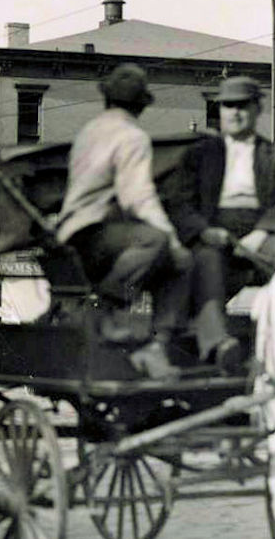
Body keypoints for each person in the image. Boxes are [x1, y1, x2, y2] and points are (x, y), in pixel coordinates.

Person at [167, 76, 275, 371]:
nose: (234, 113)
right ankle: (219, 344)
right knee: (205, 259)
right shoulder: (199, 155)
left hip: (265, 229)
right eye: (227, 106)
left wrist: (260, 234)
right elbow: (180, 202)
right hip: (214, 230)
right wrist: (204, 230)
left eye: (242, 106)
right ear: (220, 110)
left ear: (258, 109)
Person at [57, 64, 192, 381]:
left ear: (107, 100)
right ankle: (125, 320)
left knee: (164, 255)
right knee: (169, 251)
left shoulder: (89, 131)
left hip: (72, 233)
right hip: (93, 234)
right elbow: (138, 197)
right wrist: (173, 240)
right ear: (142, 105)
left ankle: (139, 334)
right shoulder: (132, 137)